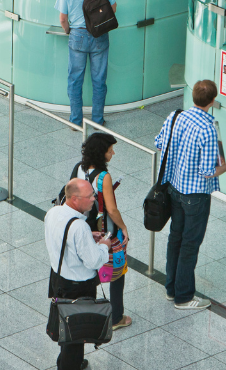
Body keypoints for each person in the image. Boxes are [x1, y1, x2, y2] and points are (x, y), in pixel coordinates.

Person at [155, 80, 226, 309]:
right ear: (212, 101)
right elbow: (207, 172)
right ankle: (184, 297)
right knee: (189, 244)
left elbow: (159, 143)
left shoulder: (176, 116)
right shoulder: (207, 128)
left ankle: (171, 288)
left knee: (175, 238)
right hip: (196, 196)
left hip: (174, 188)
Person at [45, 178, 112, 370]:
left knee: (66, 322)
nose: (94, 199)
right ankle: (69, 365)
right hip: (79, 286)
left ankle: (65, 360)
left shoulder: (53, 212)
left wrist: (87, 237)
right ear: (75, 199)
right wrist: (104, 247)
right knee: (77, 332)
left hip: (59, 278)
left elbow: (62, 236)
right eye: (90, 196)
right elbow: (93, 261)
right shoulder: (79, 227)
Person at [55, 0, 117, 127]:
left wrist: (69, 31)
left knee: (75, 80)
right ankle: (97, 120)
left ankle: (76, 121)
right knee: (99, 80)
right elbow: (113, 9)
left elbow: (62, 19)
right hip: (100, 35)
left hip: (77, 35)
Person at [77, 133, 131, 330]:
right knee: (117, 270)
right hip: (103, 232)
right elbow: (111, 209)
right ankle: (116, 317)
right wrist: (123, 227)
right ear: (102, 153)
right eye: (110, 150)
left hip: (82, 228)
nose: (113, 153)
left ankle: (82, 310)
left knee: (88, 271)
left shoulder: (78, 168)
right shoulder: (103, 177)